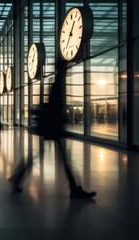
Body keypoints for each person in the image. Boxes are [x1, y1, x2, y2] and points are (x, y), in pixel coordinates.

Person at [47, 60, 96, 199]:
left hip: (54, 127)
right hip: (55, 128)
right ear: (61, 69)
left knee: (60, 158)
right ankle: (74, 189)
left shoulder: (56, 83)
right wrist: (60, 125)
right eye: (65, 68)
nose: (67, 71)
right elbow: (55, 107)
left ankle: (74, 187)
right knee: (64, 159)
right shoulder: (57, 84)